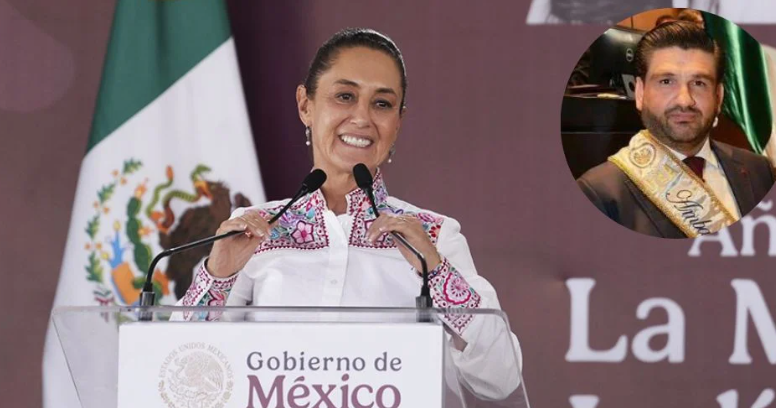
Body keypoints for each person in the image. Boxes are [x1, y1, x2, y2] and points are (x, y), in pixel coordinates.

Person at [176, 28, 522, 398]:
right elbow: (178, 364)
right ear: (305, 105)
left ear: (398, 122)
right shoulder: (254, 231)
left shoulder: (433, 236)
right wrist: (217, 277)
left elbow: (501, 379)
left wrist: (436, 273)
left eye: (382, 104)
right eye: (344, 96)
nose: (362, 118)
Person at [577, 21, 775, 238]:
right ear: (640, 93)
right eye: (666, 81)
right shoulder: (597, 192)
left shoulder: (760, 170)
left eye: (699, 83)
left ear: (718, 96)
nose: (684, 100)